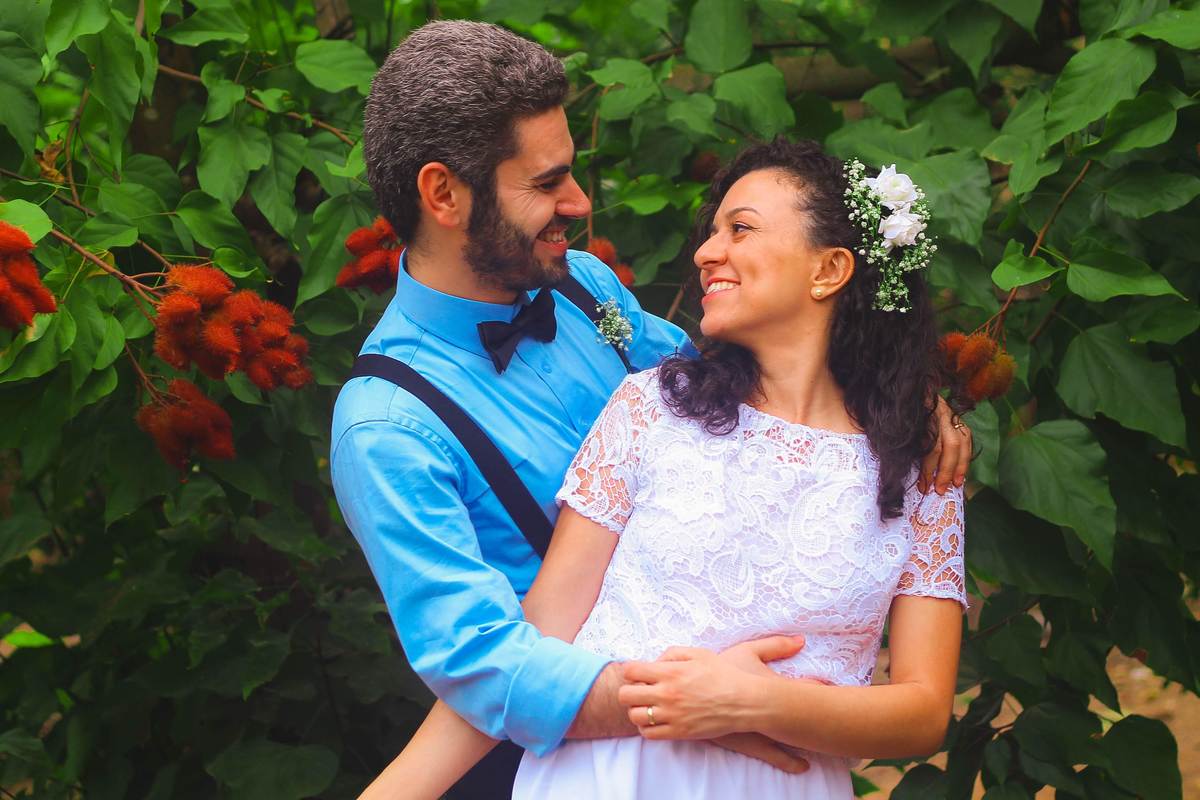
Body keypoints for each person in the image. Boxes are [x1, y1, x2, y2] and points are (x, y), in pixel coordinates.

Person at [332, 21, 973, 799]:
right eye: (545, 184)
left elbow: (740, 381)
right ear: (443, 194)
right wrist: (699, 706)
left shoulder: (586, 292)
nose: (578, 201)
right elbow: (487, 664)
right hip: (535, 758)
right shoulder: (387, 425)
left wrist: (905, 397)